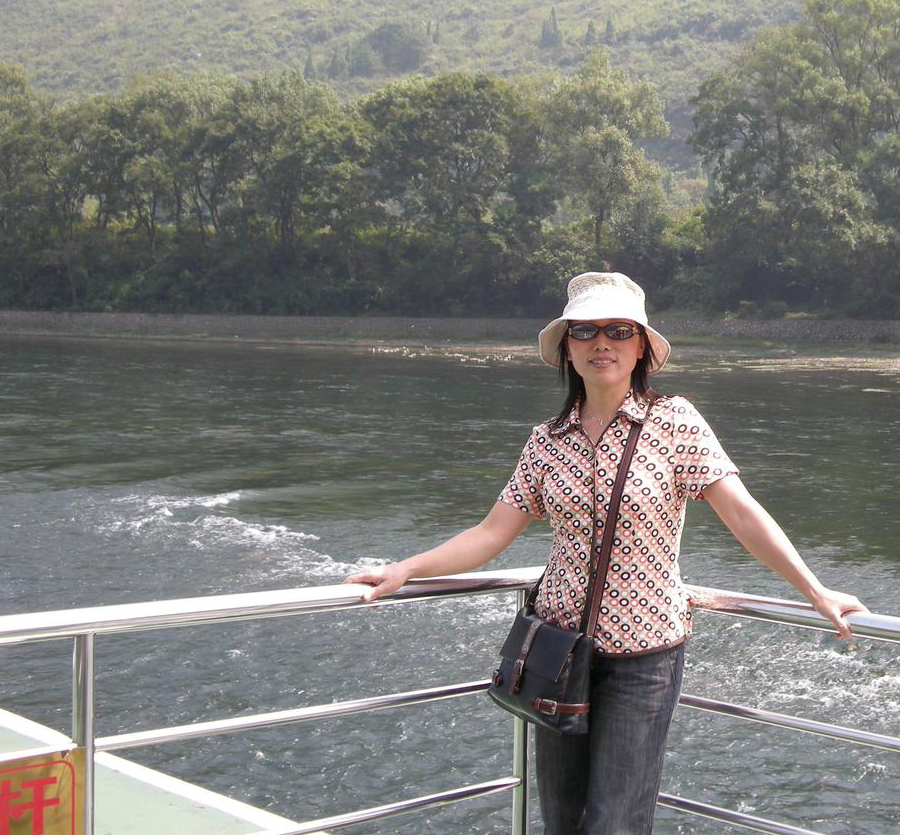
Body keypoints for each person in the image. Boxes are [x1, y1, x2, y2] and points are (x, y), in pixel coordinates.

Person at [345, 270, 866, 835]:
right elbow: (491, 533)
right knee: (564, 820)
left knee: (615, 823)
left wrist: (815, 590)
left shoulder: (674, 422)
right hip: (558, 651)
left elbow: (742, 514)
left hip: (644, 657)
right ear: (567, 349)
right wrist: (406, 568)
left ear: (641, 346)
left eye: (618, 331)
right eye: (585, 331)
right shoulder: (547, 440)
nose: (602, 343)